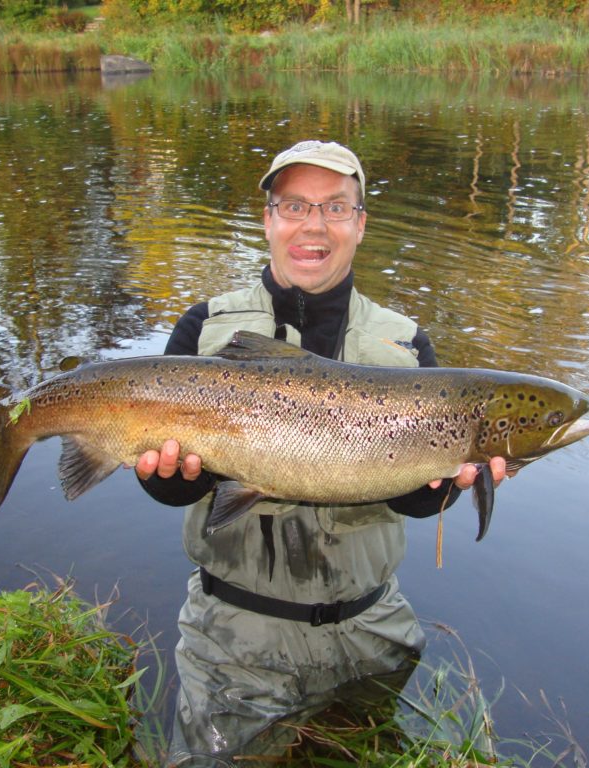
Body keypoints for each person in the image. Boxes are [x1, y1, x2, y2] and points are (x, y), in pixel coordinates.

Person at [135, 140, 508, 766]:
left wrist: (445, 484)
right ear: (268, 220)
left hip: (372, 631)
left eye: (336, 208)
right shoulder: (203, 329)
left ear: (360, 225)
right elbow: (171, 486)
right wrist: (170, 479)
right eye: (295, 206)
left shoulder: (409, 348)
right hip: (234, 637)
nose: (314, 225)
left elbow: (418, 500)